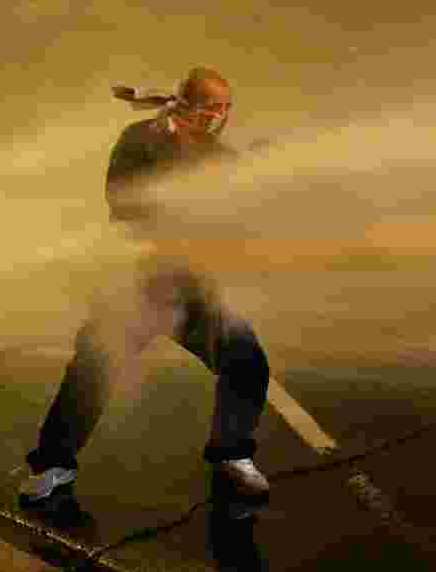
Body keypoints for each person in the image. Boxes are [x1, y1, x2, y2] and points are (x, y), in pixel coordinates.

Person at [19, 66, 271, 512]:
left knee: (246, 360)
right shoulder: (141, 139)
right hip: (136, 284)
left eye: (226, 107)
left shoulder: (216, 154)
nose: (221, 116)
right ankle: (54, 464)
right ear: (188, 105)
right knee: (94, 366)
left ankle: (231, 453)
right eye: (213, 106)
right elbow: (122, 198)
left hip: (192, 286)